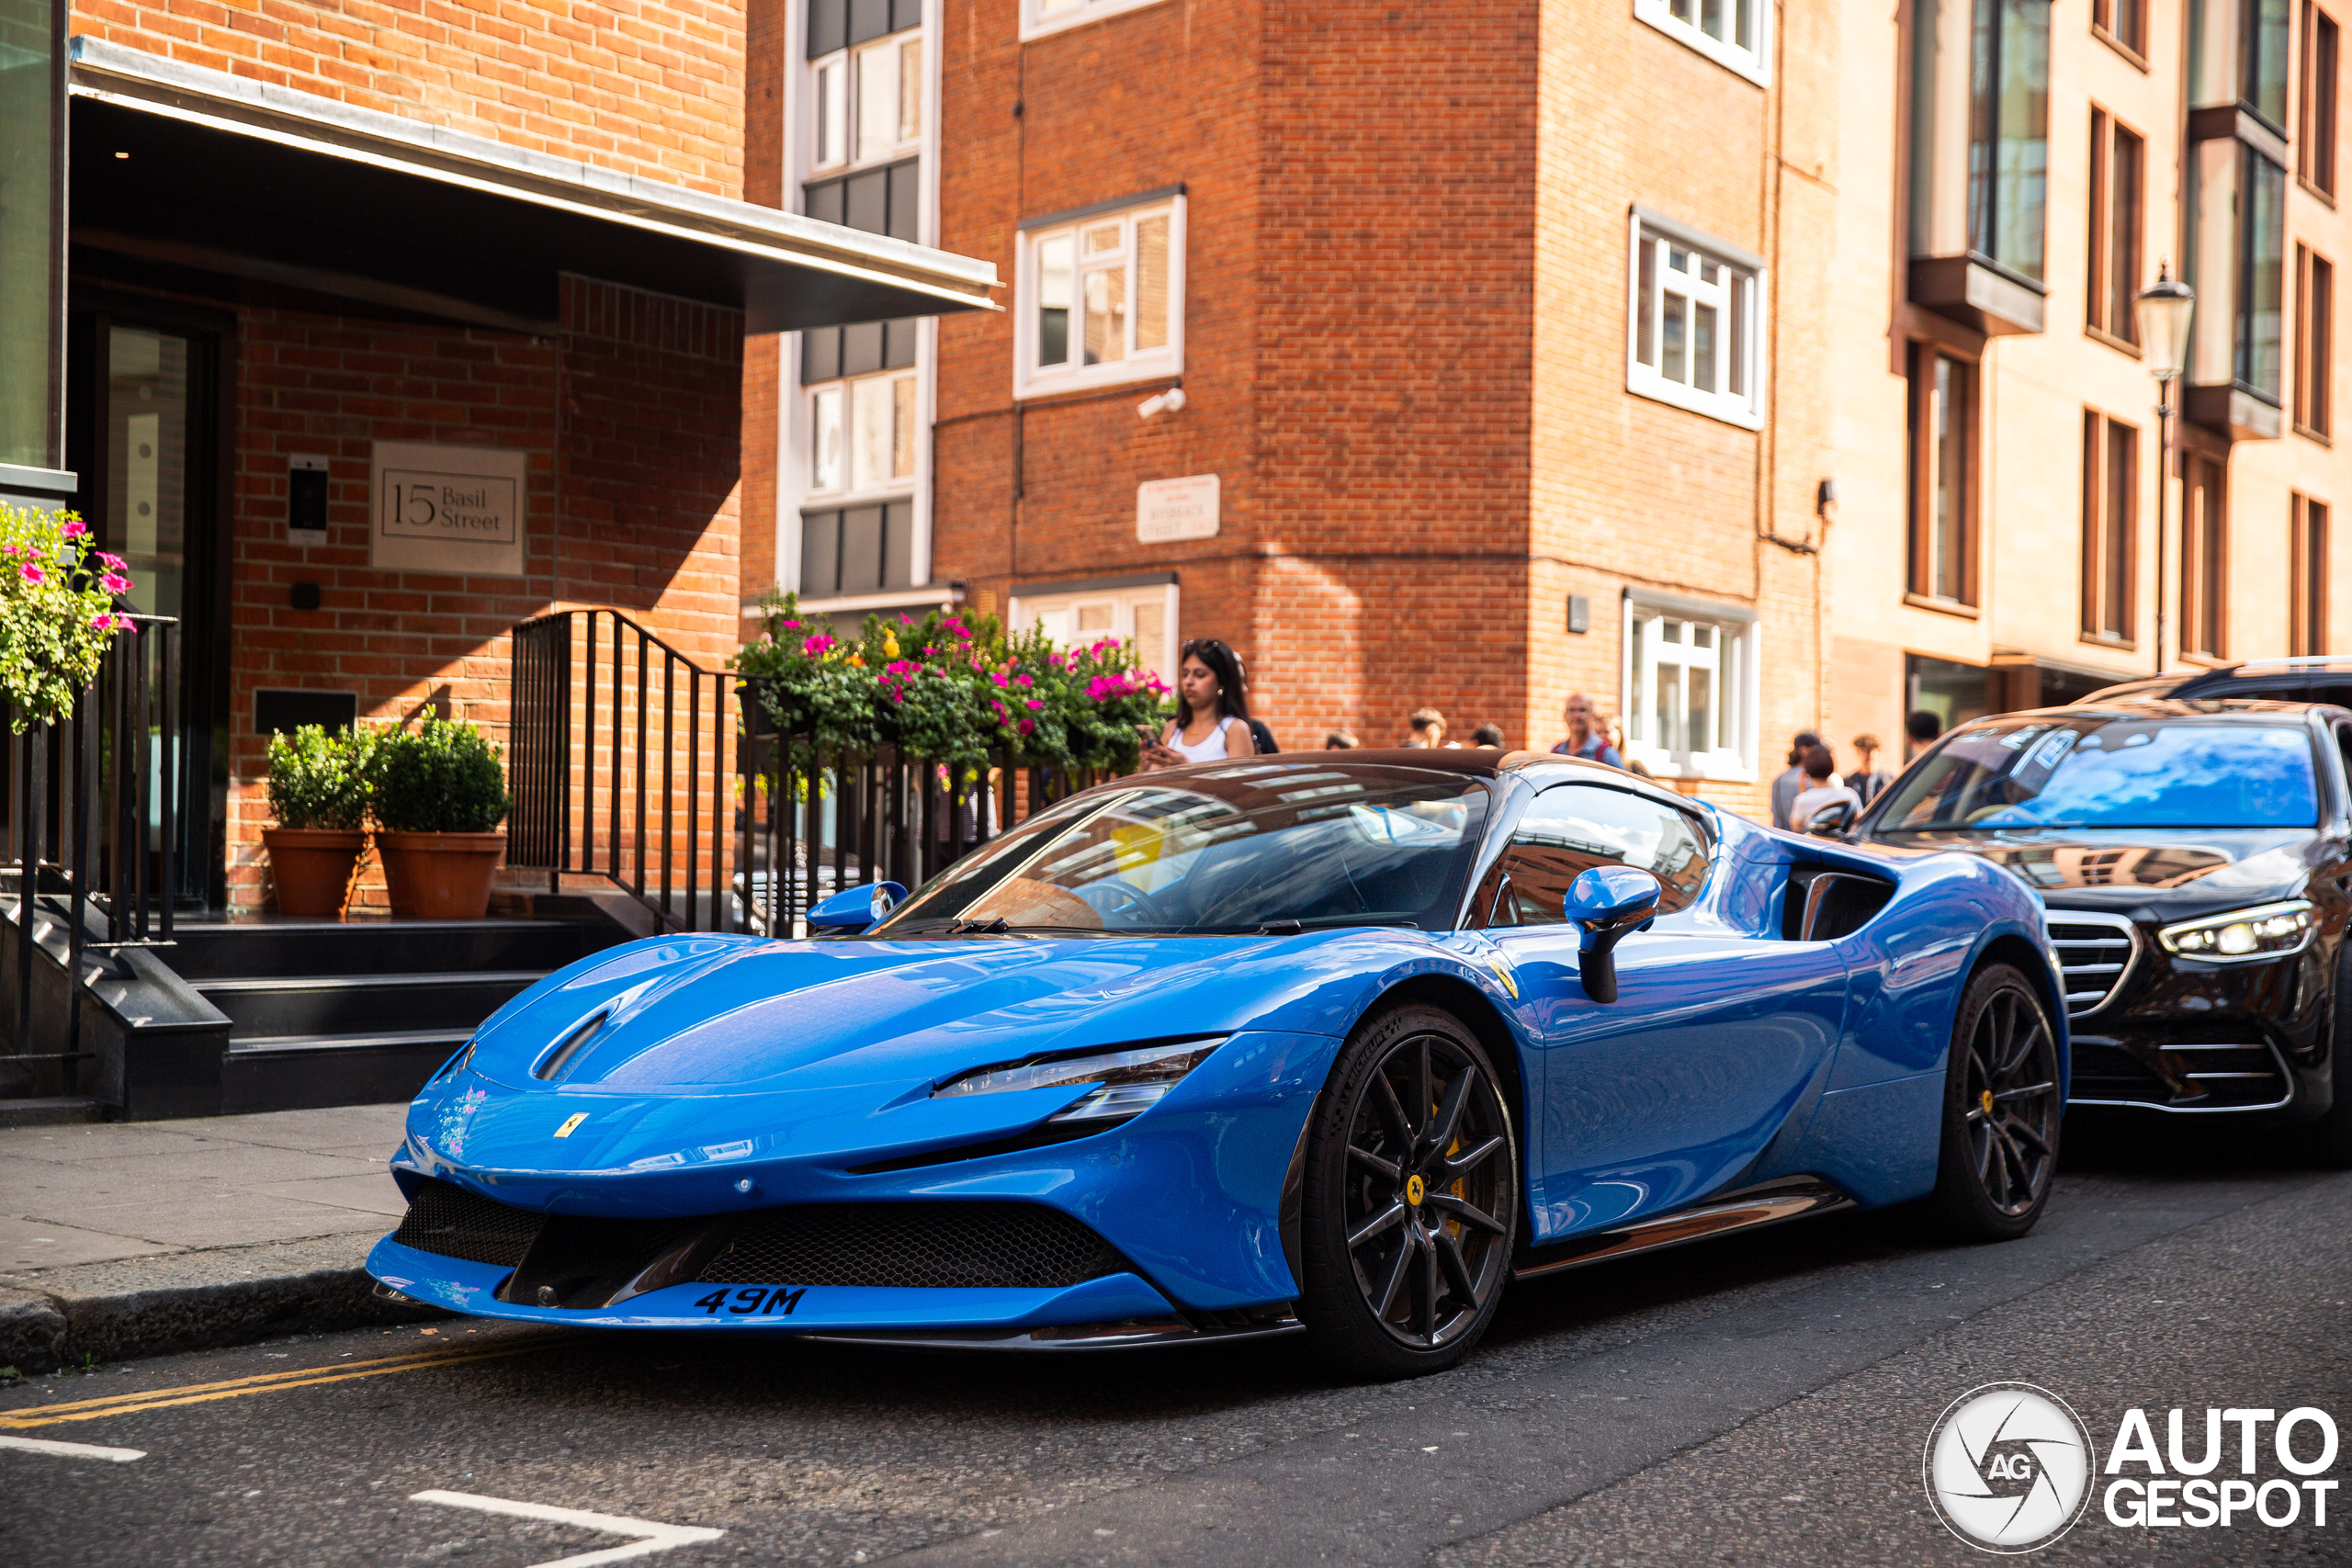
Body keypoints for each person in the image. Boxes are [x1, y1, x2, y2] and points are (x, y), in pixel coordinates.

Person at [1141, 638, 1254, 769]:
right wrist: (1144, 765)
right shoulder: (1173, 729)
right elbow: (1154, 784)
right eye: (1185, 674)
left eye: (1199, 674)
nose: (1188, 681)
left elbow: (1237, 786)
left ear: (1221, 682)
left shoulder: (1234, 729)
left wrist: (1186, 767)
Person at [1788, 745, 1860, 833]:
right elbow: (1860, 819)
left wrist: (1802, 789)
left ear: (1807, 772)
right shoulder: (1849, 793)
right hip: (1843, 843)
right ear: (1831, 768)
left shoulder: (1802, 800)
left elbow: (1796, 827)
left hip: (1816, 843)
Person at [1551, 693, 1623, 767]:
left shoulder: (1607, 754)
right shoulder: (1556, 752)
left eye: (1582, 710)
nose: (1576, 715)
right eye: (1571, 710)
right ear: (1564, 716)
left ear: (1594, 716)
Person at [1770, 729, 1825, 829]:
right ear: (1803, 750)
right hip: (1807, 840)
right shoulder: (1813, 780)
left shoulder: (1778, 779)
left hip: (1782, 838)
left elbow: (1776, 818)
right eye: (1815, 750)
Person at [1848, 733, 1893, 810]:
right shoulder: (1849, 781)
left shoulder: (1889, 780)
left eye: (1870, 750)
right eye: (1863, 750)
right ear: (1858, 752)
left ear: (1878, 751)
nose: (1867, 755)